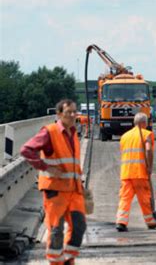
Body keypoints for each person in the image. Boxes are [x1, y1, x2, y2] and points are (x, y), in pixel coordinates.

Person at [21, 99, 86, 265]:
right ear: (58, 114)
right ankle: (56, 262)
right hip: (55, 190)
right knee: (56, 231)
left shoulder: (73, 133)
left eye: (74, 112)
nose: (72, 115)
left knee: (79, 228)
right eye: (68, 112)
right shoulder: (49, 132)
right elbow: (26, 150)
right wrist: (46, 168)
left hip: (74, 190)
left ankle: (68, 259)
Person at [116, 112, 156, 232]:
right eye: (146, 122)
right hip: (140, 173)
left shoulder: (125, 136)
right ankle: (151, 222)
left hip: (126, 173)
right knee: (144, 198)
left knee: (125, 198)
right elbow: (148, 150)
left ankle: (121, 222)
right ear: (143, 123)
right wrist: (150, 167)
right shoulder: (146, 134)